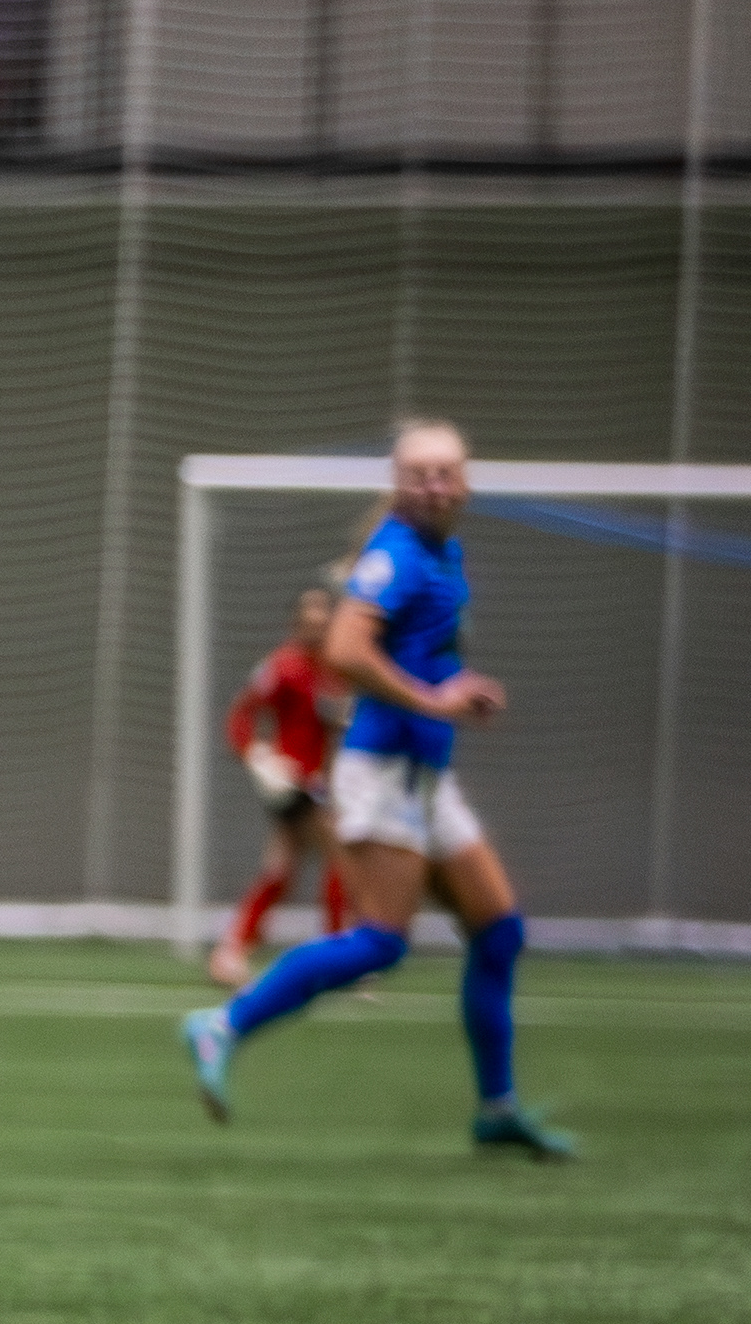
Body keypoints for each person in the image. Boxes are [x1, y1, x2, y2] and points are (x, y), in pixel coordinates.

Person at [182, 422, 576, 1156]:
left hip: (424, 775)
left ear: (465, 482)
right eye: (419, 474)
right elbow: (344, 648)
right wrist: (434, 702)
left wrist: (455, 690)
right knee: (380, 944)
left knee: (498, 930)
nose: (434, 486)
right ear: (397, 483)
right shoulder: (396, 555)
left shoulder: (442, 551)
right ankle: (222, 1025)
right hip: (382, 772)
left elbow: (418, 654)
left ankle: (497, 1109)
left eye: (446, 473)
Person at [206, 589, 351, 991]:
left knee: (281, 869)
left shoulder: (338, 670)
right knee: (339, 858)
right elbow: (240, 714)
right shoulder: (283, 667)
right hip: (294, 784)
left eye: (324, 619)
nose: (317, 626)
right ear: (296, 625)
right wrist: (257, 756)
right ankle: (338, 958)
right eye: (309, 620)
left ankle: (232, 949)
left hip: (324, 784)